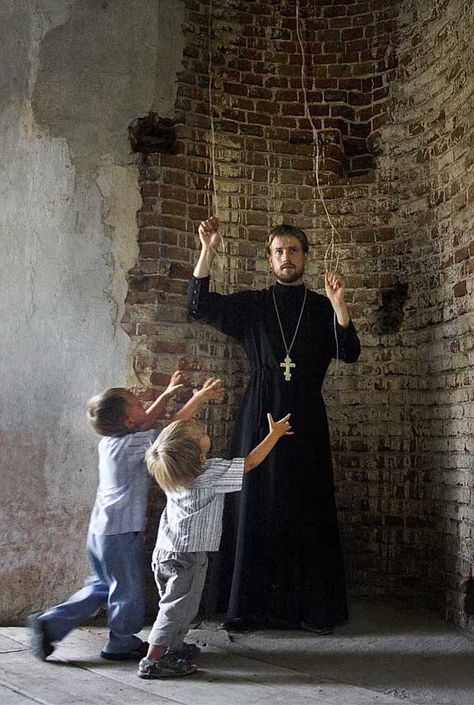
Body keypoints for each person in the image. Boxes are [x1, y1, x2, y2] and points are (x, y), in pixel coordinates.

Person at [187, 217, 361, 633]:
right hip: (258, 412)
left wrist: (340, 306)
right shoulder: (253, 305)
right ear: (269, 259)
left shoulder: (320, 307)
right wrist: (208, 249)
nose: (287, 257)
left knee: (308, 503)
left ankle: (312, 611)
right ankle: (248, 608)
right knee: (255, 503)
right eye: (279, 251)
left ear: (305, 258)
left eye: (294, 251)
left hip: (306, 416)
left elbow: (350, 352)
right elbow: (199, 306)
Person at [27, 372, 219, 661]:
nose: (146, 407)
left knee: (102, 586)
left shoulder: (110, 442)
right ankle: (121, 642)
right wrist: (199, 398)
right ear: (130, 422)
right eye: (139, 406)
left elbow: (146, 421)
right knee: (127, 591)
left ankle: (49, 624)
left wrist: (165, 395)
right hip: (120, 531)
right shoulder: (134, 446)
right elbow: (171, 432)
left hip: (100, 530)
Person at [137, 407, 293, 679]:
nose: (205, 432)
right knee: (176, 609)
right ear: (196, 453)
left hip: (166, 551)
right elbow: (251, 463)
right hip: (187, 555)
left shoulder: (171, 472)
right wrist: (274, 435)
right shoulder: (207, 472)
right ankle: (152, 660)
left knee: (177, 604)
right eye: (201, 434)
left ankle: (173, 647)